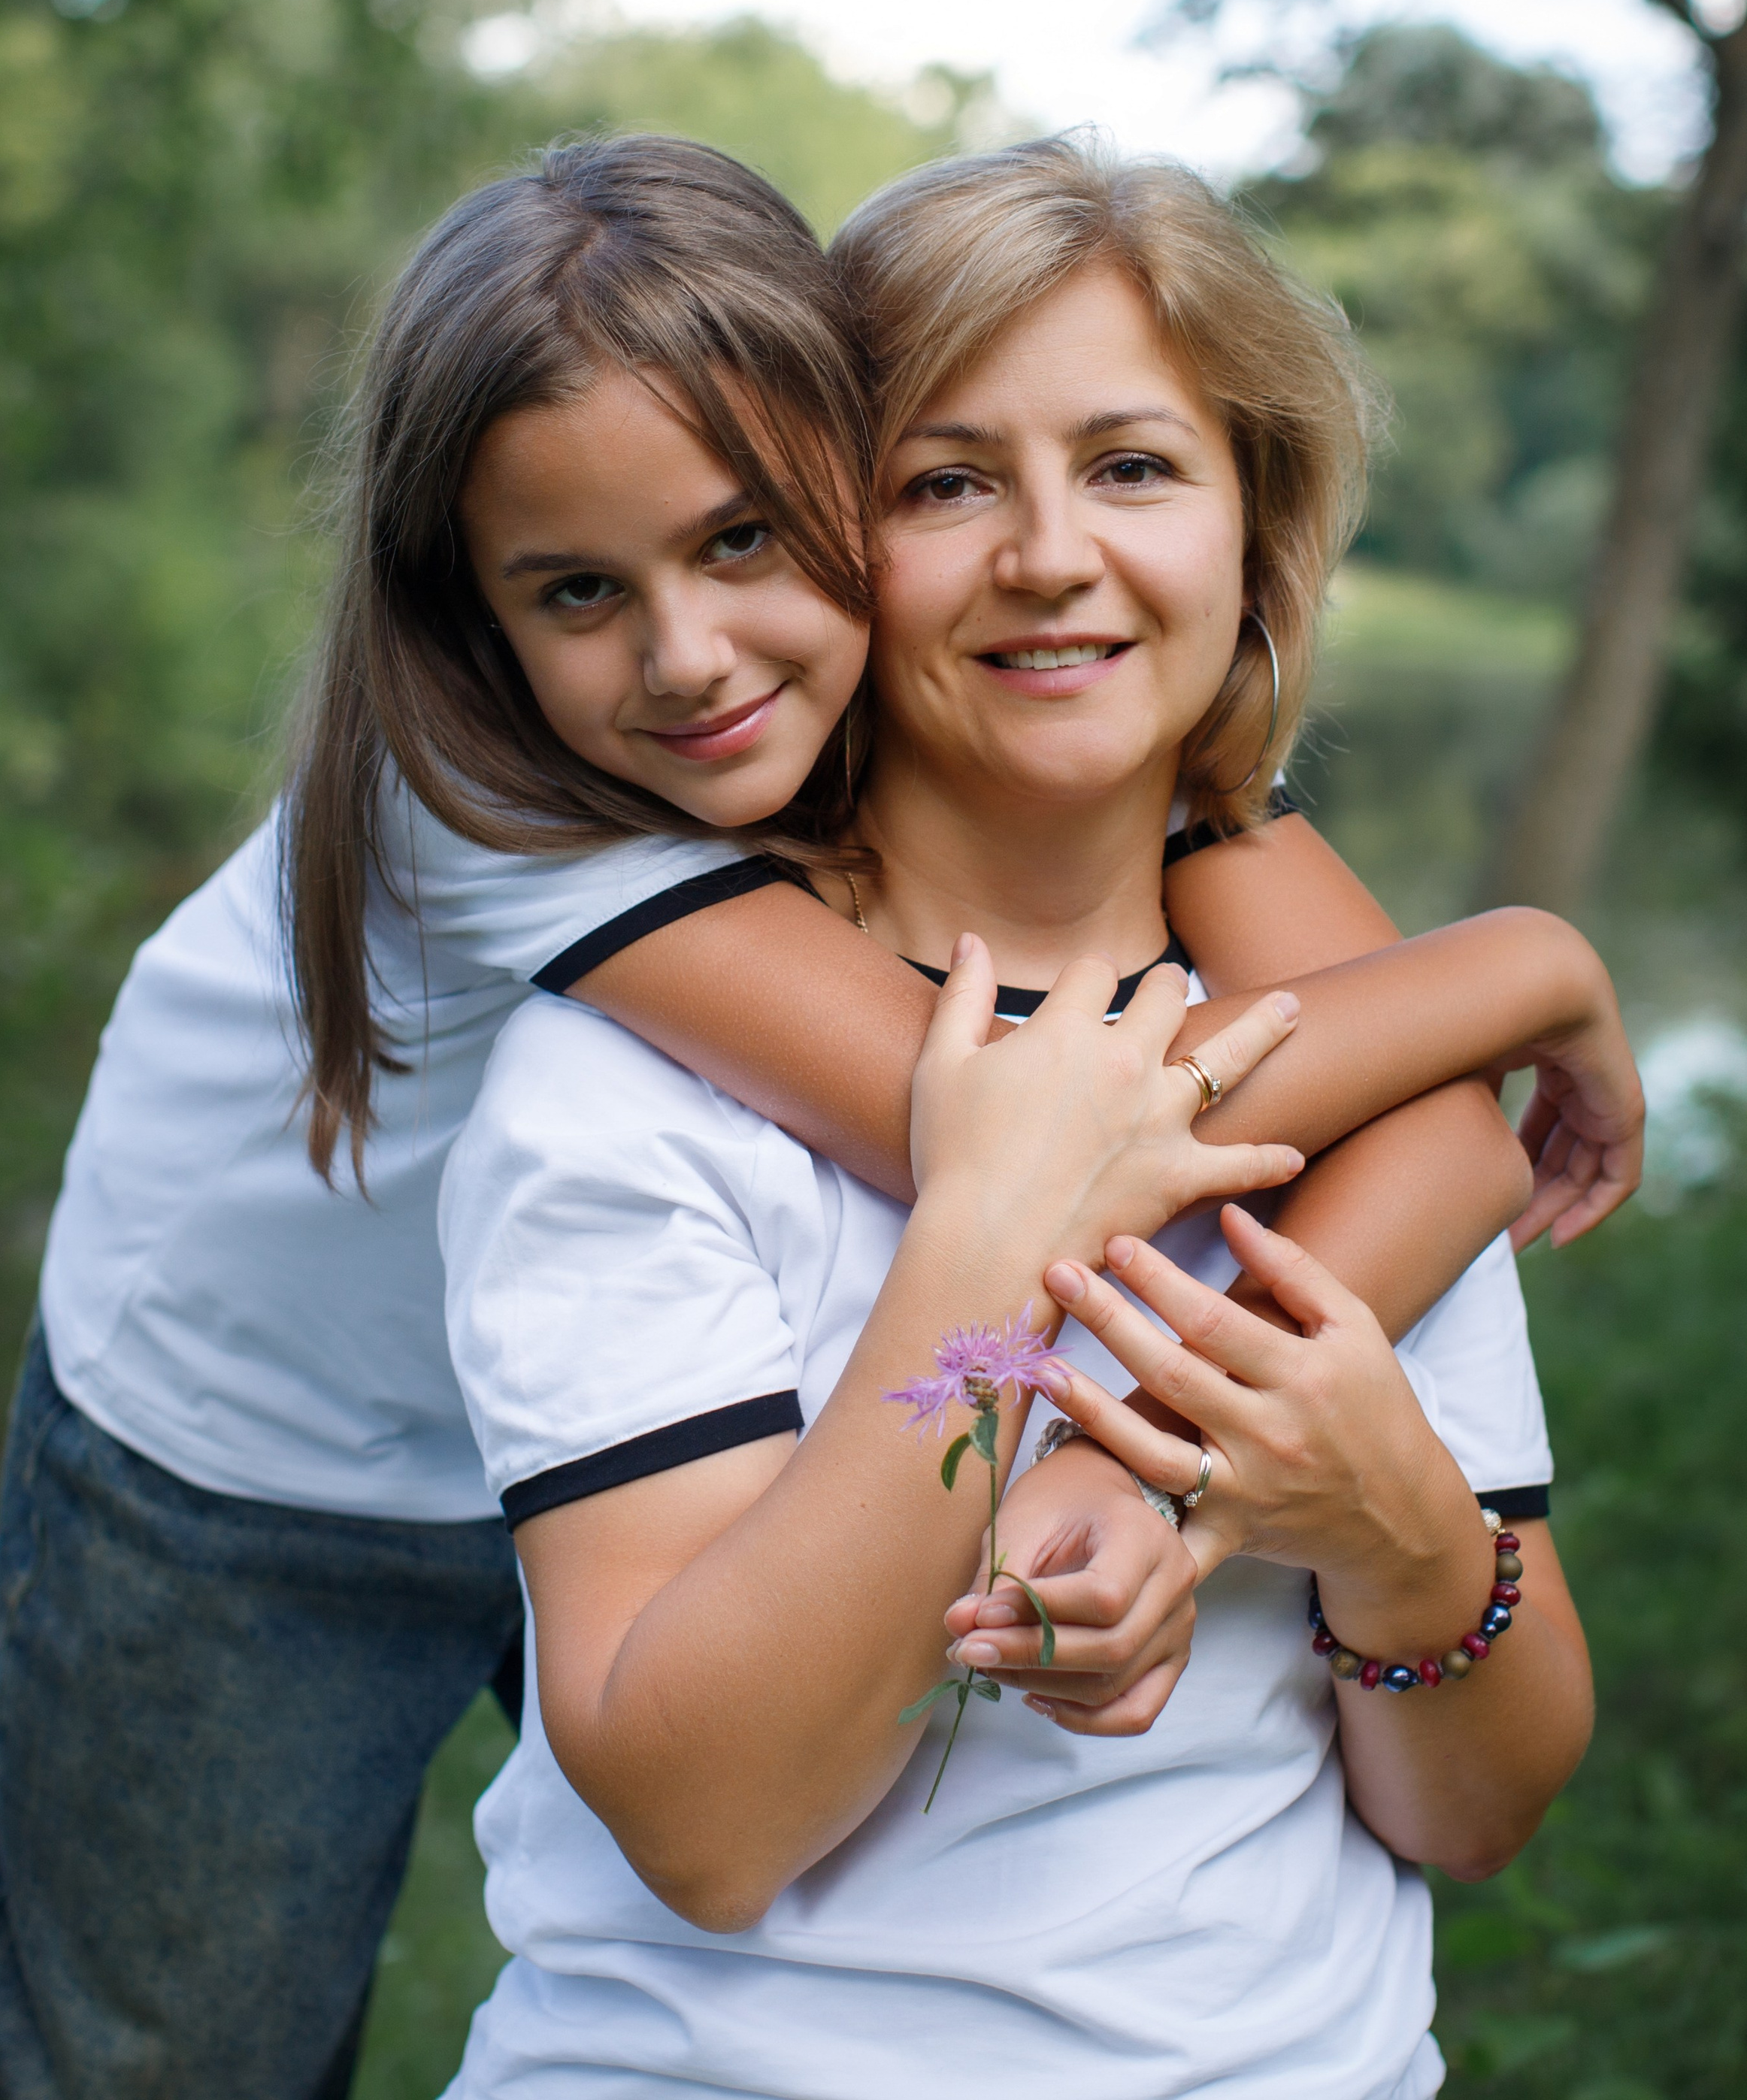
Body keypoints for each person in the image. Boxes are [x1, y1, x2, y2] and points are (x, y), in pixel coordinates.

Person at [0, 138, 1632, 2100]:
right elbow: (1032, 1136)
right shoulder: (504, 788)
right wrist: (1531, 965)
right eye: (952, 478)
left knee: (806, 1823)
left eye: (738, 542)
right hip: (262, 1441)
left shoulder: (1105, 751)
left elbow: (1424, 1130)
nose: (688, 650)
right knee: (143, 2044)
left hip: (644, 1404)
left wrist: (1241, 1427)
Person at [438, 138, 1598, 2096]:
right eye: (947, 481)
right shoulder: (631, 1091)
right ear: (818, 539)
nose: (1052, 552)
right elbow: (709, 1830)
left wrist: (1393, 1536)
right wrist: (1033, 1368)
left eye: (1135, 467)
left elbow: (1474, 1812)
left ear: (1255, 524)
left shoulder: (1376, 1085)